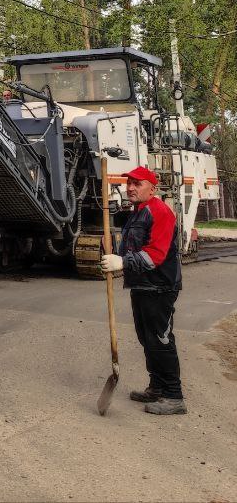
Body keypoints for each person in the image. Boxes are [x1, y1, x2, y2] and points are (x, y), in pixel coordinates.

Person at [100, 165, 185, 415]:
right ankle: (157, 387)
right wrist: (113, 255)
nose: (131, 187)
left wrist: (123, 262)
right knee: (146, 339)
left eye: (137, 183)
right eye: (129, 183)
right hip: (141, 286)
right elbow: (132, 249)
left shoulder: (160, 212)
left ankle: (174, 396)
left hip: (159, 286)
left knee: (160, 339)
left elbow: (155, 255)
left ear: (153, 188)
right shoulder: (137, 212)